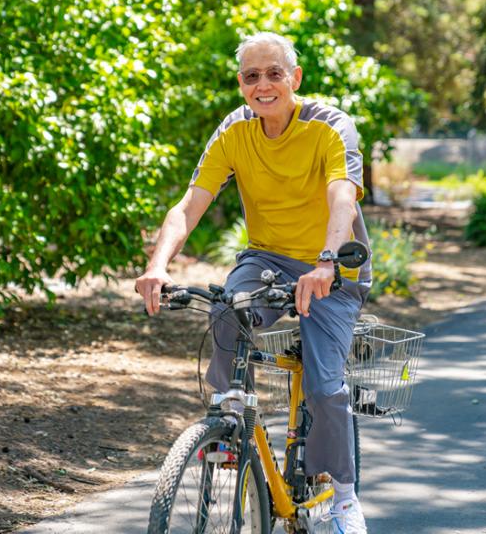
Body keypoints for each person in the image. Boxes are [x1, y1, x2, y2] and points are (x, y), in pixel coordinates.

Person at [135, 32, 372, 534]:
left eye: (273, 74)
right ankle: (227, 426)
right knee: (226, 309)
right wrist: (158, 264)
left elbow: (342, 198)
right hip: (266, 257)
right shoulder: (234, 131)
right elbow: (190, 204)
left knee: (325, 383)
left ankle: (345, 498)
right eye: (251, 76)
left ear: (295, 79)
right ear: (241, 84)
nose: (262, 85)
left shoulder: (330, 126)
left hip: (333, 265)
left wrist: (327, 263)